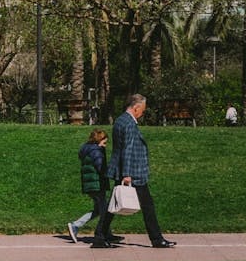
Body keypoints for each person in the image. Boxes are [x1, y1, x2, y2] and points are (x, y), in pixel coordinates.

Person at [93, 93, 176, 250]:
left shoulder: (120, 120)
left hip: (123, 169)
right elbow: (129, 150)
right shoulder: (130, 124)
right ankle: (157, 239)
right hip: (132, 172)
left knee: (114, 205)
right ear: (136, 107)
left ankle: (100, 236)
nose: (142, 113)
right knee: (147, 206)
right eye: (142, 110)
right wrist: (127, 174)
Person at [67, 129, 117, 244]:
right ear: (99, 140)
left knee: (99, 210)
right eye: (104, 142)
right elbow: (101, 168)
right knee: (105, 211)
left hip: (90, 185)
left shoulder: (87, 149)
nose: (105, 145)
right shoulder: (96, 151)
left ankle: (78, 225)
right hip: (97, 184)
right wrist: (113, 173)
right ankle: (100, 233)